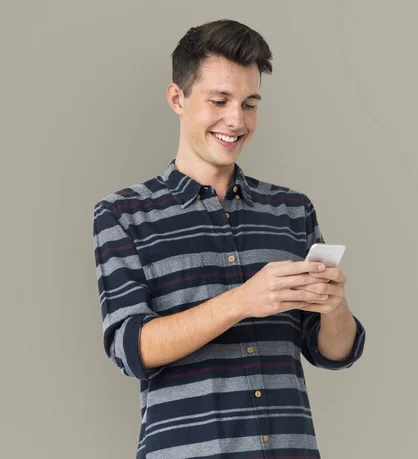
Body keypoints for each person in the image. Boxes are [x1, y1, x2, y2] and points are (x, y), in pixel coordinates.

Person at [92, 19, 366, 459]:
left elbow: (332, 352)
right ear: (177, 98)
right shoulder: (123, 215)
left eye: (250, 104)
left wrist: (335, 306)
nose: (236, 121)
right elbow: (132, 349)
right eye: (219, 100)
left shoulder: (291, 210)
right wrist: (243, 300)